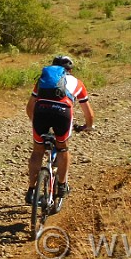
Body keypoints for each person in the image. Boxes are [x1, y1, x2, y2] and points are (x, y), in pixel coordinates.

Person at [25, 55, 94, 204]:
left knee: (38, 151)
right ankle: (62, 186)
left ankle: (31, 190)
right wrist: (88, 126)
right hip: (62, 113)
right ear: (70, 69)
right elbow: (89, 114)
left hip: (41, 111)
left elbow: (29, 107)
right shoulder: (78, 83)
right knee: (63, 148)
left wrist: (34, 121)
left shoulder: (43, 81)